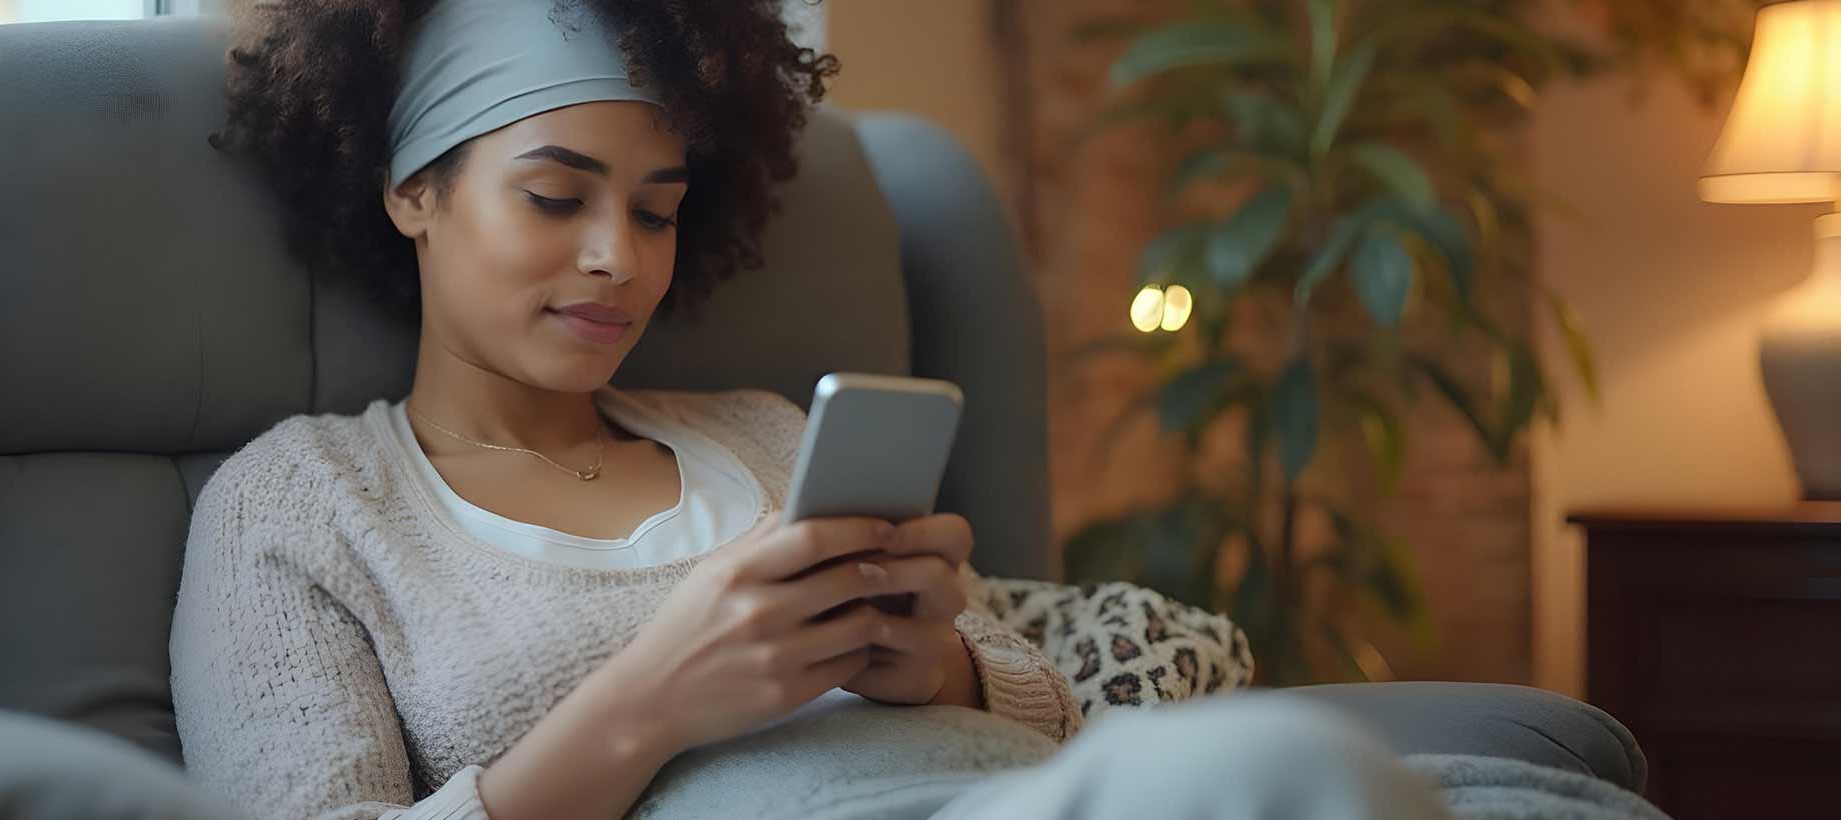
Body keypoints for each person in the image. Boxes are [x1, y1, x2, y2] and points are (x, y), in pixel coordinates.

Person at [169, 2, 1453, 819]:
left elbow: (1046, 703)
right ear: (412, 191)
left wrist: (939, 660)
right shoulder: (299, 506)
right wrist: (651, 700)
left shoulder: (765, 433)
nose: (619, 257)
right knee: (1294, 776)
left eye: (657, 210)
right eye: (556, 199)